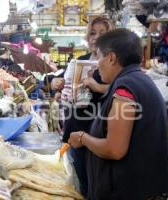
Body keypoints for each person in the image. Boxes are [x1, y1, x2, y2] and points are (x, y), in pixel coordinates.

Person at [68, 29, 168, 199]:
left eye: (99, 57)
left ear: (111, 58)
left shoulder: (125, 88)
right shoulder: (139, 80)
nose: (96, 65)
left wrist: (82, 138)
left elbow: (115, 149)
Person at [61, 16, 113, 197]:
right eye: (92, 33)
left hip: (98, 133)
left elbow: (121, 88)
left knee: (97, 185)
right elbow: (60, 82)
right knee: (80, 182)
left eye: (101, 33)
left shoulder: (111, 65)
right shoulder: (79, 61)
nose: (95, 37)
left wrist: (96, 86)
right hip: (75, 128)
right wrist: (56, 83)